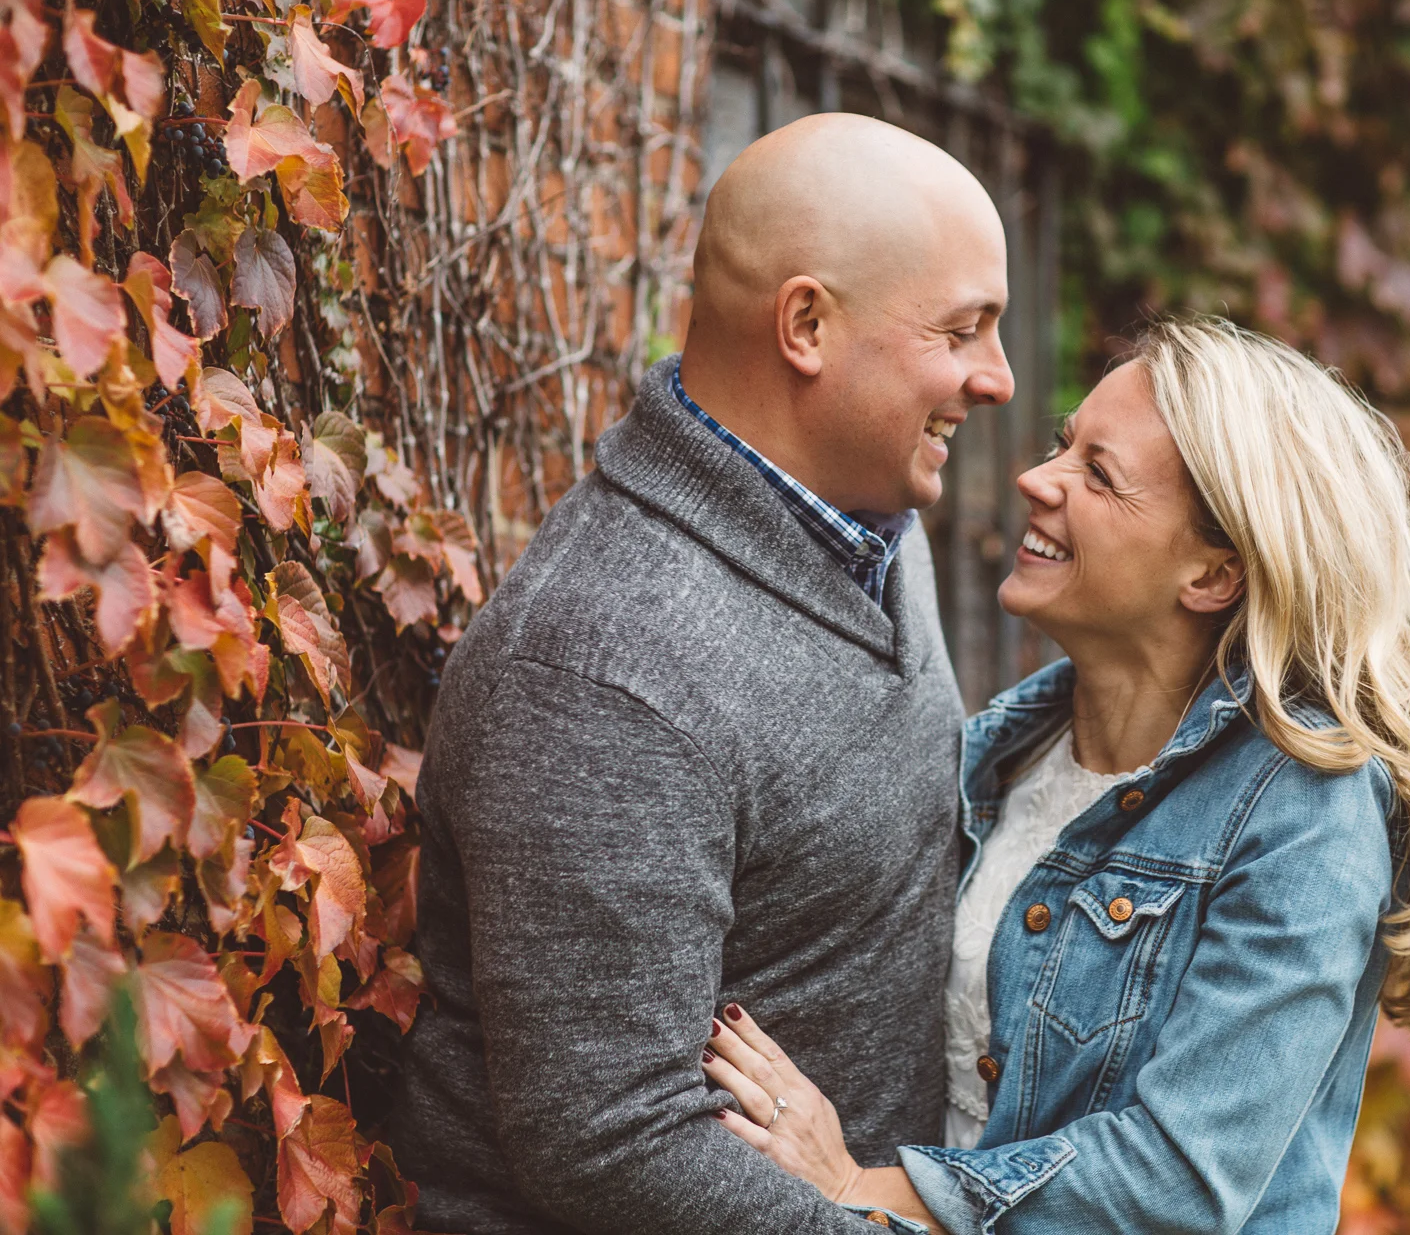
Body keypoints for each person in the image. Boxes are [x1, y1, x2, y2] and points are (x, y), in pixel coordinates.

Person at [701, 317, 1410, 1233]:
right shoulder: (1000, 752)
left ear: (1214, 573)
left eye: (1099, 476)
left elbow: (1180, 1180)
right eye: (1062, 445)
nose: (1038, 480)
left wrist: (859, 1189)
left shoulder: (1304, 806)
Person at [392, 112, 1015, 1233]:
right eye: (964, 330)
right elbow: (613, 1138)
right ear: (809, 325)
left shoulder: (867, 520)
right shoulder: (600, 666)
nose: (999, 379)